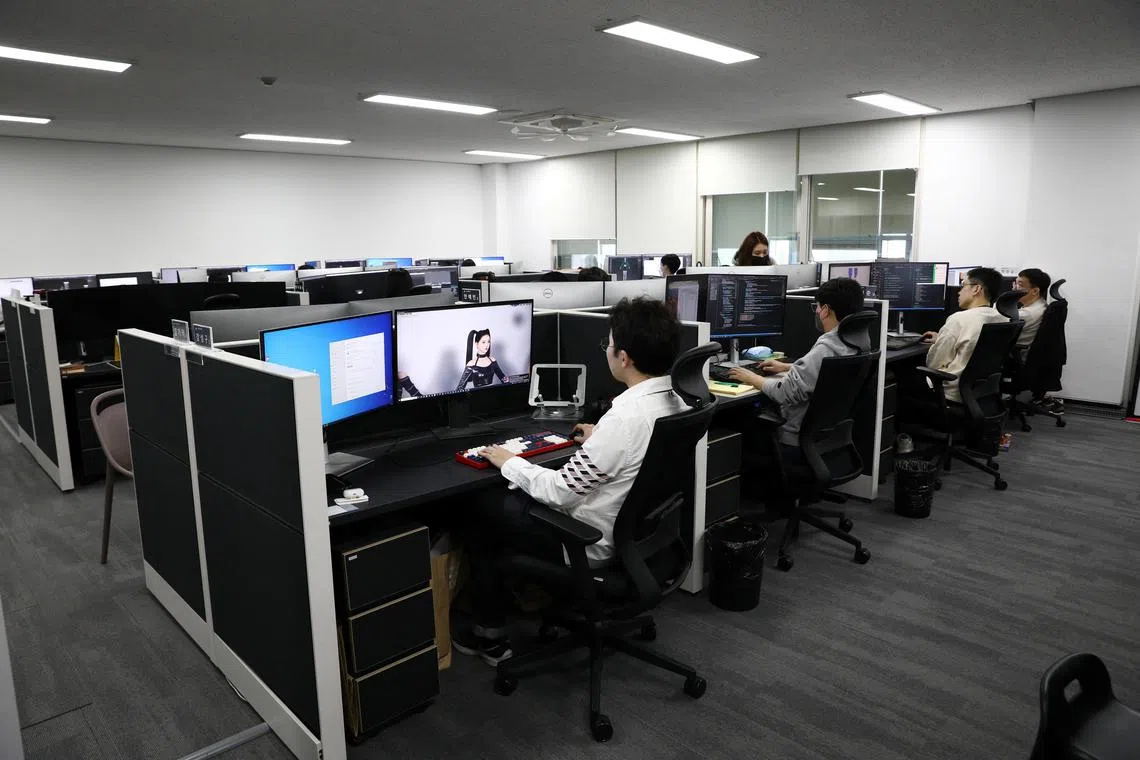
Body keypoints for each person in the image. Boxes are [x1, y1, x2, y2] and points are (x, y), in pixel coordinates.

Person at [453, 298, 687, 664]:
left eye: (608, 344)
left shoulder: (624, 420)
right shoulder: (674, 400)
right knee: (500, 502)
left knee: (481, 508)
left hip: (587, 541)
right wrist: (601, 438)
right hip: (643, 536)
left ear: (623, 357)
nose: (606, 351)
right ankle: (519, 603)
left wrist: (510, 461)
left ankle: (489, 635)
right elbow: (638, 452)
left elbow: (559, 492)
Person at [727, 278, 865, 451]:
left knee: (737, 418)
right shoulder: (854, 340)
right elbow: (828, 371)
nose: (816, 311)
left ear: (825, 310)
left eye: (817, 306)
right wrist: (786, 367)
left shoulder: (827, 346)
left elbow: (784, 392)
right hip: (828, 435)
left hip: (796, 435)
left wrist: (752, 378)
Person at [919, 266, 1006, 403]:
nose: (958, 292)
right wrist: (941, 338)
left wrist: (940, 341)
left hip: (952, 392)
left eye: (963, 285)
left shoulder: (959, 320)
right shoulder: (1002, 318)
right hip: (982, 392)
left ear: (976, 289)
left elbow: (934, 363)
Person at [1015, 268, 1051, 354]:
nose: (1015, 288)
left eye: (1019, 285)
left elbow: (994, 320)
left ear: (1035, 291)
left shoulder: (1027, 314)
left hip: (1011, 358)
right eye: (1015, 283)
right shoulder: (1041, 303)